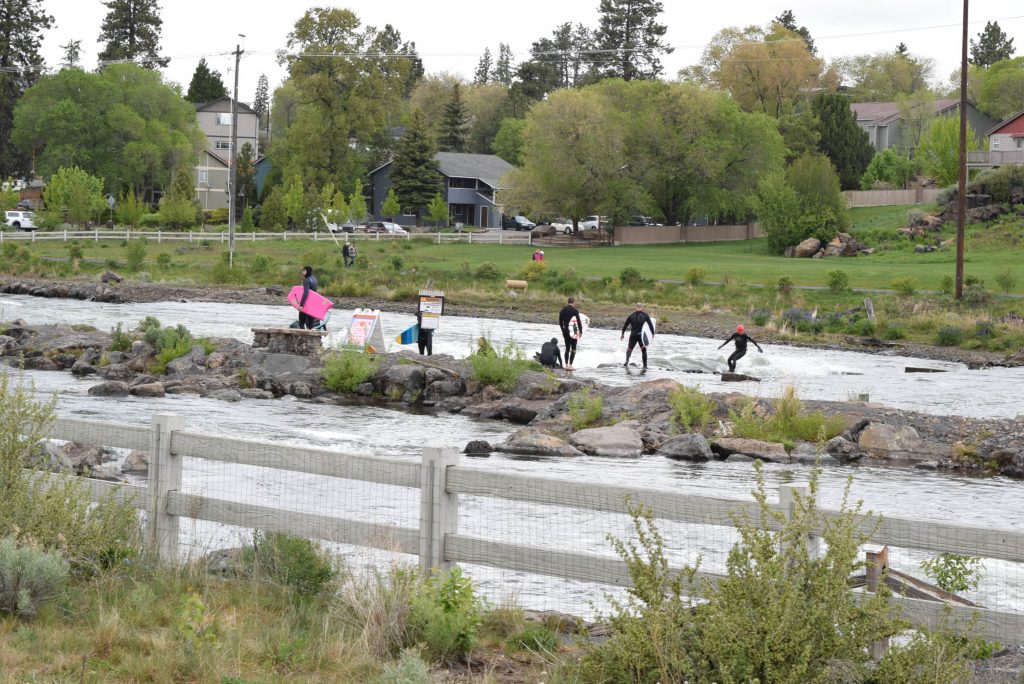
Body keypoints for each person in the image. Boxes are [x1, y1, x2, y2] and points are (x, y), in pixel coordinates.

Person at [620, 302, 654, 370]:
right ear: (642, 307)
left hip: (633, 335)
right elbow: (650, 325)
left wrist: (622, 334)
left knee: (629, 349)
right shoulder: (645, 315)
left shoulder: (631, 315)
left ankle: (626, 361)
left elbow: (625, 325)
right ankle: (645, 366)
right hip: (641, 336)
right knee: (643, 350)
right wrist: (652, 333)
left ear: (635, 307)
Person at [558, 296, 583, 371]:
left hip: (566, 331)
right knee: (574, 349)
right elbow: (578, 321)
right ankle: (571, 365)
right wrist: (581, 331)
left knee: (567, 348)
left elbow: (560, 322)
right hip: (574, 332)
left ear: (568, 302)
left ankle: (566, 365)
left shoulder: (562, 310)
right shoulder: (575, 310)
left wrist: (562, 330)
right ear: (573, 302)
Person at [297, 265, 320, 330]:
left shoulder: (306, 280)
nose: (302, 273)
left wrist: (301, 304)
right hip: (313, 303)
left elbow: (306, 293)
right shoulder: (315, 279)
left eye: (304, 271)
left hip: (306, 303)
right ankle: (310, 338)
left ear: (307, 271)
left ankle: (302, 337)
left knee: (301, 322)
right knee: (311, 325)